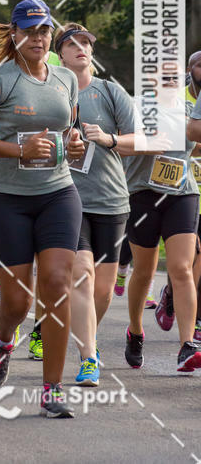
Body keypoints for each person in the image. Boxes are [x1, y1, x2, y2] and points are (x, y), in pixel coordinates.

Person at [0, 0, 85, 419]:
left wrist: (73, 144)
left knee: (56, 283)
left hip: (57, 193)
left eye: (44, 31)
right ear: (13, 34)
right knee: (16, 303)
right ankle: (3, 340)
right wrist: (17, 149)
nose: (37, 38)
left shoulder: (66, 78)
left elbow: (68, 128)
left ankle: (52, 388)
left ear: (51, 35)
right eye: (29, 30)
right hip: (7, 199)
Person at [54, 22, 139, 386]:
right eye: (72, 44)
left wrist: (108, 138)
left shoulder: (109, 91)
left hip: (111, 199)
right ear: (60, 54)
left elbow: (139, 139)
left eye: (85, 43)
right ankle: (89, 357)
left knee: (103, 291)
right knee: (82, 278)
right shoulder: (51, 91)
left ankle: (84, 336)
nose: (81, 48)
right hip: (66, 197)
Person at [124, 67, 201, 372]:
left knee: (182, 267)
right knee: (143, 271)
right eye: (162, 75)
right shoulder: (136, 106)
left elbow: (196, 145)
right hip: (143, 194)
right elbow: (123, 144)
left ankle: (187, 346)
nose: (170, 80)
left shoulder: (189, 110)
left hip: (182, 194)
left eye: (174, 75)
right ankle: (135, 331)